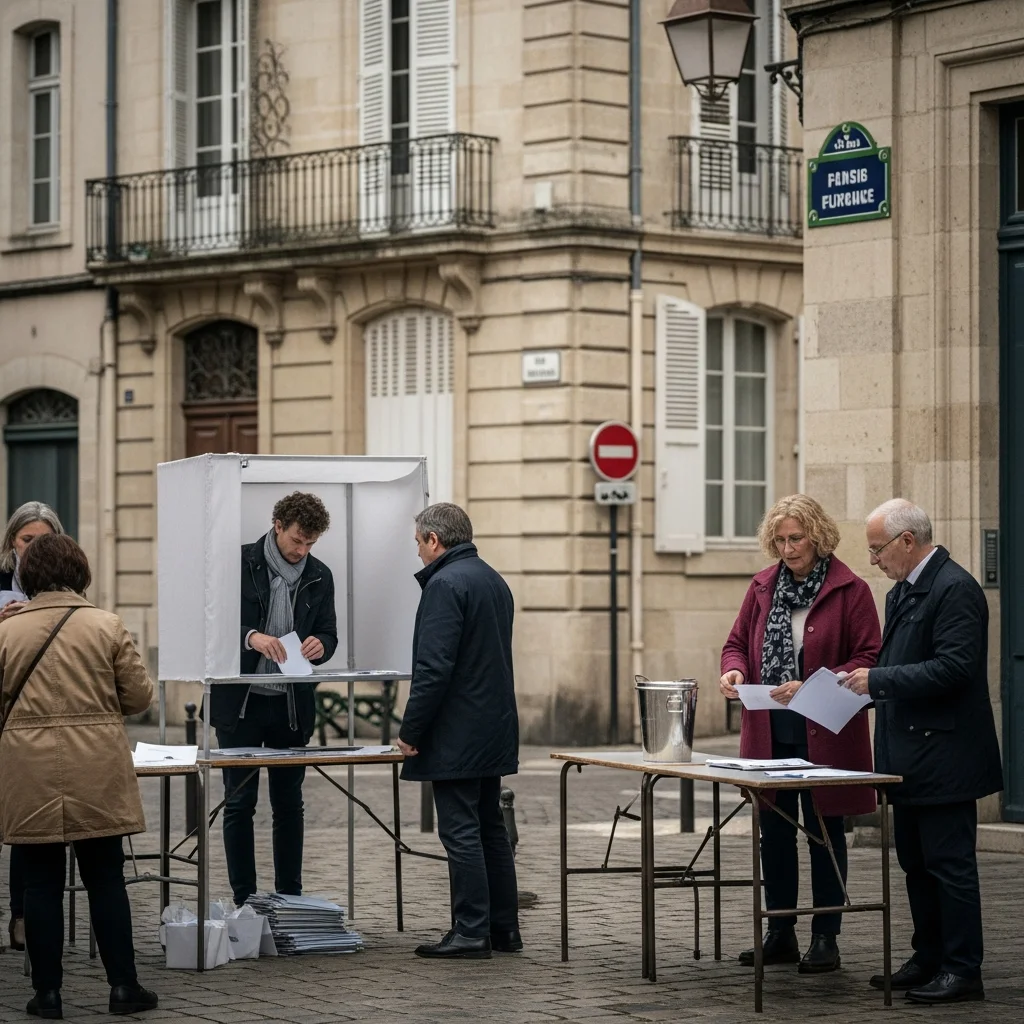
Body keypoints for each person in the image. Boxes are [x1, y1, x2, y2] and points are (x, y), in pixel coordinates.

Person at [843, 499, 1002, 1004]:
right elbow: (901, 665)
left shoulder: (955, 589)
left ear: (906, 541)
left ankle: (961, 968)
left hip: (946, 757)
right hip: (906, 759)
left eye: (877, 549)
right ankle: (928, 956)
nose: (873, 560)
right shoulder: (902, 593)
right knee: (914, 863)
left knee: (949, 866)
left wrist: (879, 680)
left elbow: (955, 668)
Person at [720, 494, 881, 973]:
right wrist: (732, 672)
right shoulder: (762, 586)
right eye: (781, 540)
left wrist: (816, 682)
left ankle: (826, 937)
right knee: (774, 833)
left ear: (818, 536)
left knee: (823, 831)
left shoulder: (850, 590)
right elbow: (735, 645)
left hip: (826, 728)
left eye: (797, 538)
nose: (788, 549)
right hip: (769, 726)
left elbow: (870, 657)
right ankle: (781, 931)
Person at [0, 534, 157, 1019]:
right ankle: (124, 989)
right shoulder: (105, 625)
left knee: (40, 884)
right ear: (81, 573)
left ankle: (46, 995)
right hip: (97, 767)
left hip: (29, 769)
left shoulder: (6, 632)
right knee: (106, 878)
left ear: (28, 578)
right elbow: (138, 698)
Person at [397, 503, 520, 959]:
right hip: (493, 725)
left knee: (462, 831)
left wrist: (411, 730)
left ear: (434, 540)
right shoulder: (492, 579)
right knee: (489, 827)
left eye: (418, 543)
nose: (418, 553)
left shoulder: (446, 584)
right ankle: (504, 929)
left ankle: (471, 931)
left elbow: (433, 669)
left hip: (458, 731)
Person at [209, 491, 338, 907]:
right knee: (239, 803)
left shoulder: (320, 574)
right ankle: (244, 900)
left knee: (289, 804)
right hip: (241, 706)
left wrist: (322, 645)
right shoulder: (239, 562)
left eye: (311, 544)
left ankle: (290, 898)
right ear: (277, 525)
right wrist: (252, 637)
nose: (302, 551)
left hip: (291, 706)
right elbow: (214, 625)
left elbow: (330, 633)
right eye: (298, 540)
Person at [0, 501, 65, 954]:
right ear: (11, 543)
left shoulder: (64, 586)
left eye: (43, 541)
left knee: (28, 826)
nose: (33, 549)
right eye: (27, 540)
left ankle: (21, 916)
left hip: (41, 721)